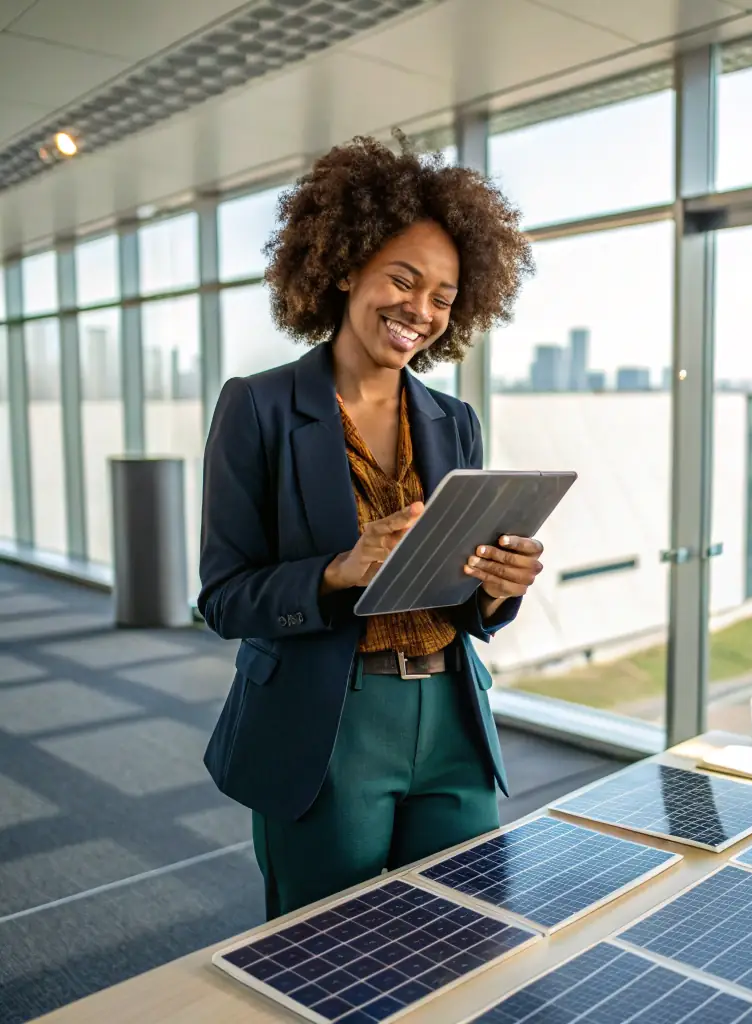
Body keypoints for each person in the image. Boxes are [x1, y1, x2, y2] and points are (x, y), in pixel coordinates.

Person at [198, 135, 540, 920]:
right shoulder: (258, 407)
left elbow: (465, 601)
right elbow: (222, 597)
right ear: (347, 265)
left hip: (452, 714)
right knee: (324, 959)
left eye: (444, 298)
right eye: (404, 279)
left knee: (463, 933)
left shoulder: (454, 421)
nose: (420, 311)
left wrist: (498, 588)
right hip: (331, 722)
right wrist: (338, 571)